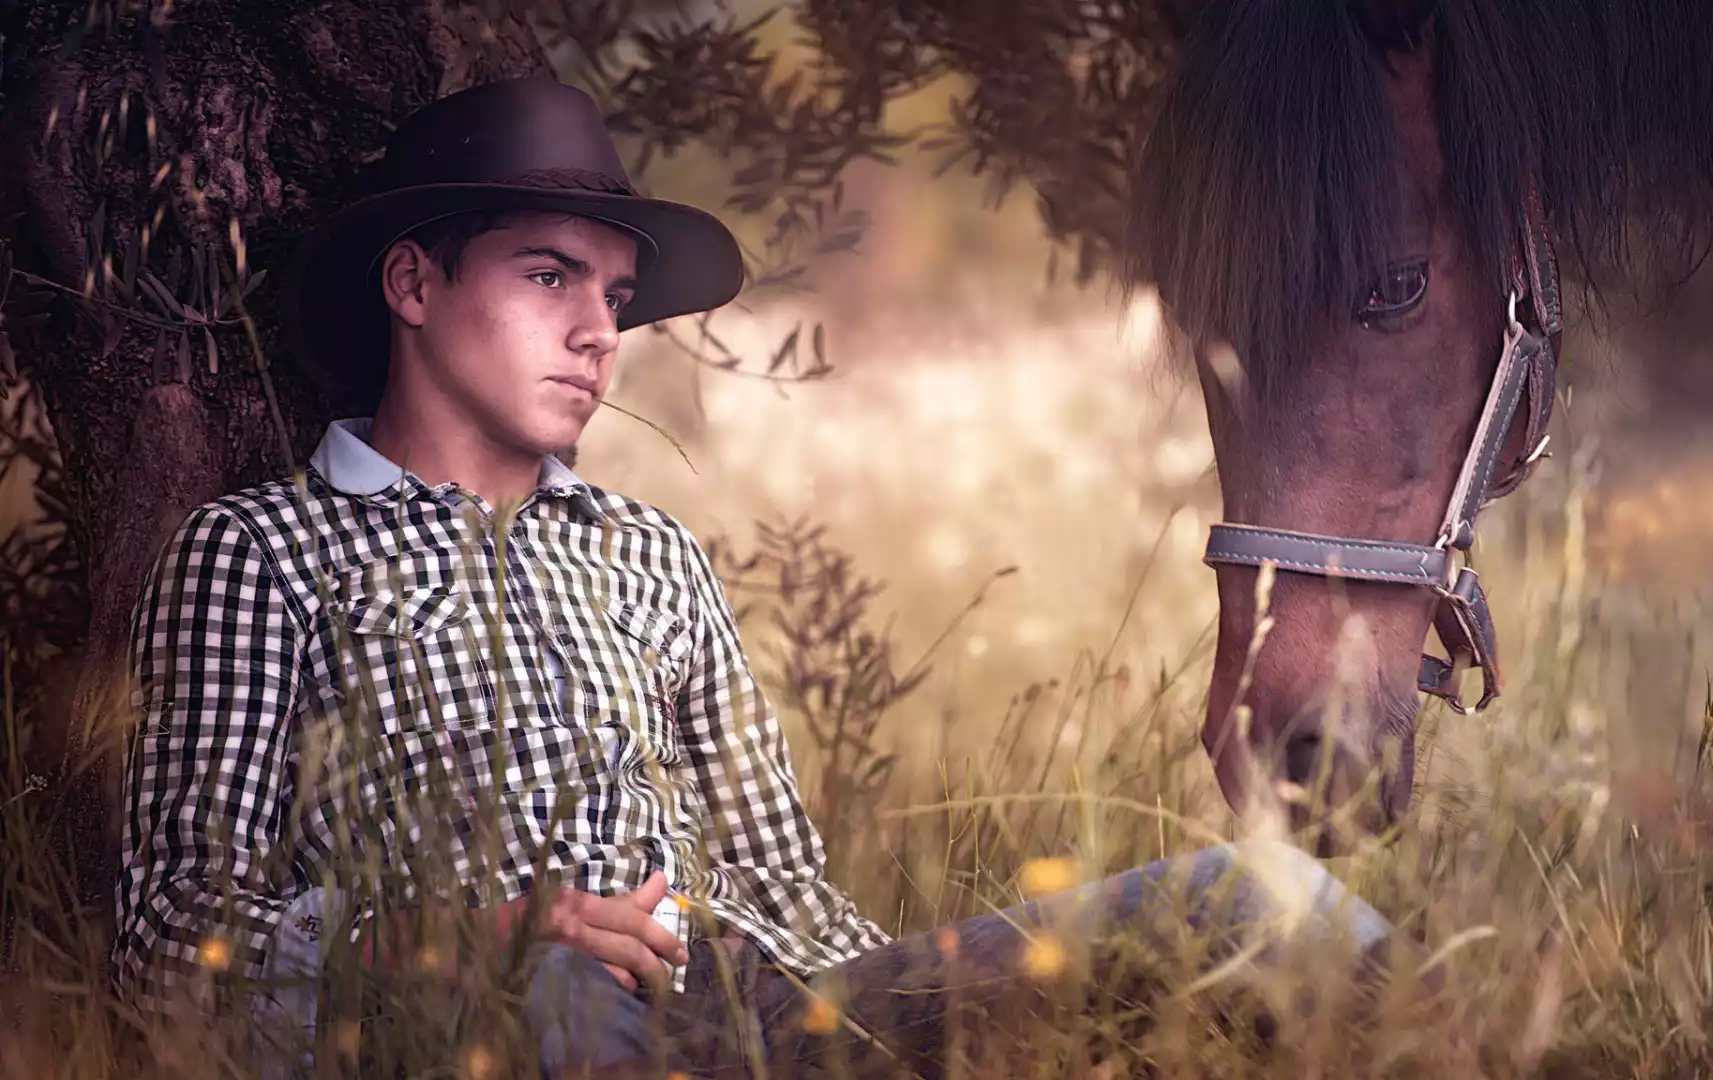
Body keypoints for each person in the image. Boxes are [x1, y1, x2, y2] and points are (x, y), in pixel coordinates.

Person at [110, 77, 1416, 1078]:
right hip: (502, 1012)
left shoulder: (649, 555)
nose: (595, 335)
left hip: (771, 1013)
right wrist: (487, 934)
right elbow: (174, 942)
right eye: (549, 276)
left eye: (616, 299)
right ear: (413, 281)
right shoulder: (263, 552)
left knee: (1273, 901)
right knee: (564, 1005)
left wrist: (922, 1007)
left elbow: (784, 877)